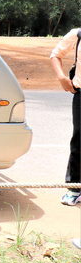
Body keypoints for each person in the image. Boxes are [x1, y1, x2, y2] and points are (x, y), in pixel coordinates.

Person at [49, 28, 81, 206]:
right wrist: (62, 78)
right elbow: (56, 54)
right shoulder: (78, 34)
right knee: (79, 141)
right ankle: (74, 189)